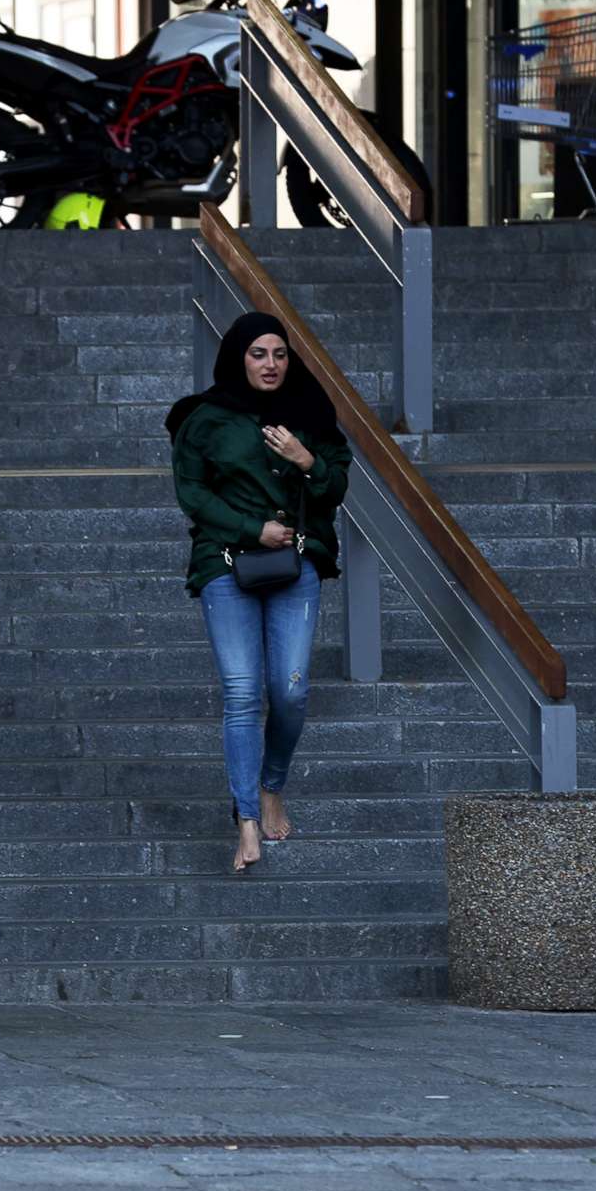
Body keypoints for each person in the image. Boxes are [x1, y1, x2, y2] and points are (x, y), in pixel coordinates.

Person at [167, 311, 349, 875]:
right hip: (226, 561)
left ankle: (272, 785)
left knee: (290, 691)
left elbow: (336, 484)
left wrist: (306, 460)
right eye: (258, 354)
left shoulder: (311, 413)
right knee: (243, 692)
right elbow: (192, 495)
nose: (270, 365)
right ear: (237, 358)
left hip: (296, 563)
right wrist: (252, 530)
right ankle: (247, 820)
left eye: (279, 354)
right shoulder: (205, 419)